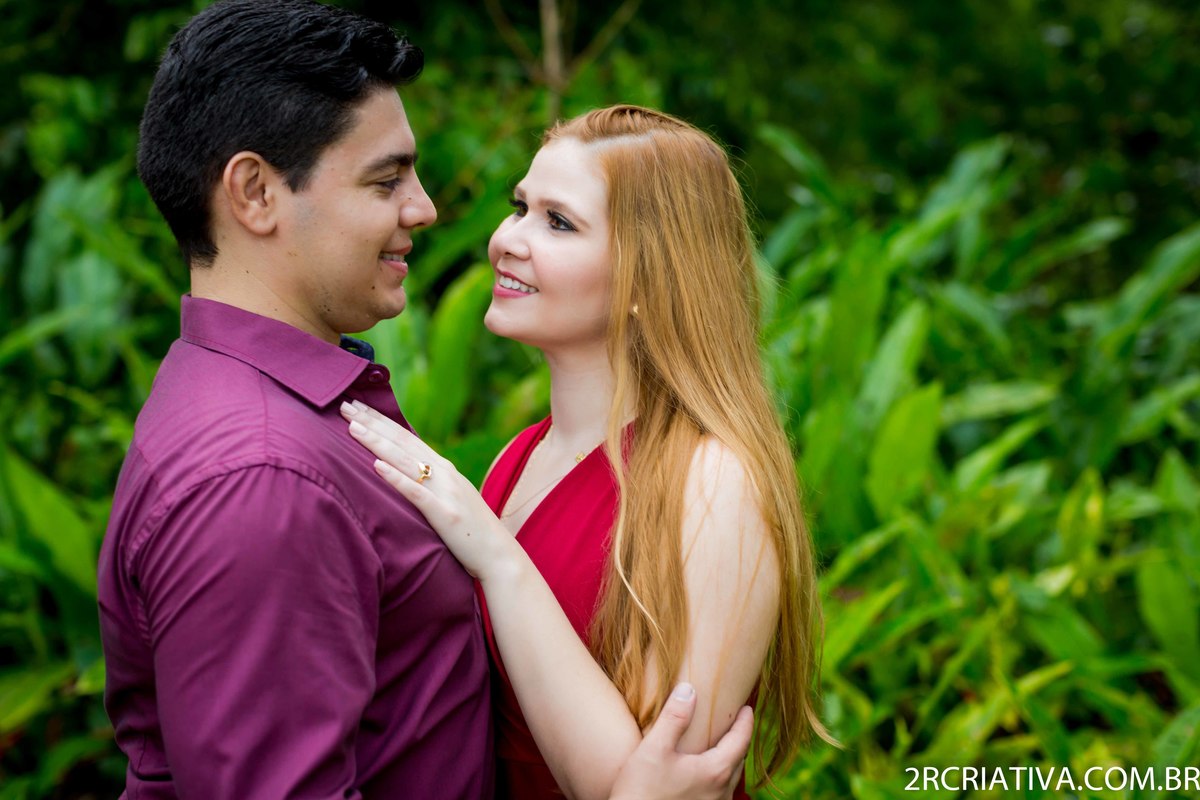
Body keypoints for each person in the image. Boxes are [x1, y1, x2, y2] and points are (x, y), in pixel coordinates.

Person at [97, 0, 748, 797]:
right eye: (385, 179)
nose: (427, 208)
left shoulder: (308, 426)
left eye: (557, 221)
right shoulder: (263, 478)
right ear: (256, 193)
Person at [343, 104, 833, 800]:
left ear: (650, 274)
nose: (508, 240)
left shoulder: (712, 480)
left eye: (559, 222)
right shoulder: (518, 458)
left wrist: (498, 557)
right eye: (520, 208)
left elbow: (648, 786)